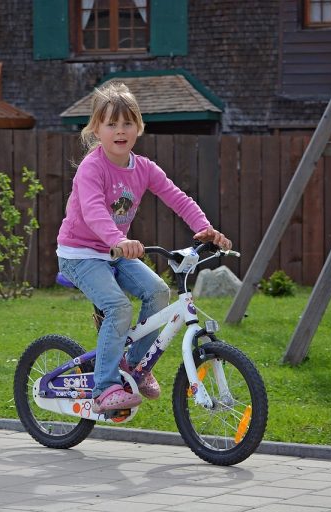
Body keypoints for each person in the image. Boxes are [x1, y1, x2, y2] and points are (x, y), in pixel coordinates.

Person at [56, 82, 232, 414]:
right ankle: (105, 387)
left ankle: (136, 367)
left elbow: (177, 197)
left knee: (158, 292)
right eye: (111, 124)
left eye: (127, 123)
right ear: (96, 129)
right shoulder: (92, 169)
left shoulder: (144, 168)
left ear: (139, 127)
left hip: (114, 252)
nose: (120, 131)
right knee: (119, 307)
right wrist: (119, 240)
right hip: (80, 253)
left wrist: (203, 228)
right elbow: (94, 211)